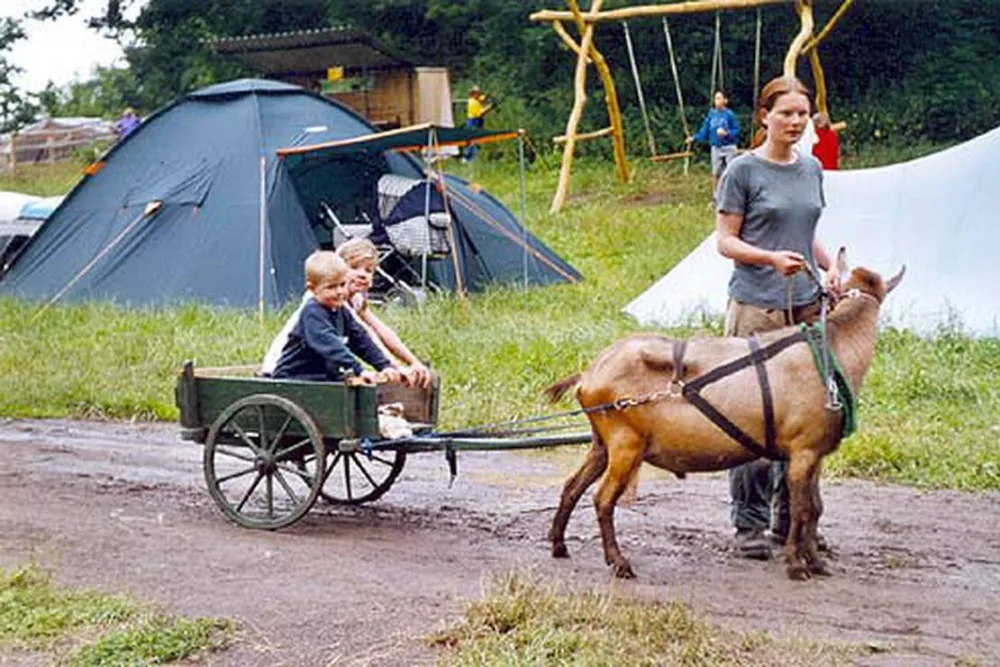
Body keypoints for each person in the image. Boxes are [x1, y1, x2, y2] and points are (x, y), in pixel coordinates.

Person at [714, 75, 841, 561]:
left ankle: (792, 520)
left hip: (806, 308)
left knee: (806, 421)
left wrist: (830, 269)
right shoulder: (742, 171)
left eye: (802, 114)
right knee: (750, 419)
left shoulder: (811, 168)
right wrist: (769, 259)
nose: (794, 121)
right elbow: (725, 241)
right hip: (757, 308)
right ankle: (747, 522)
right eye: (785, 113)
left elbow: (804, 232)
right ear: (764, 116)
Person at [262, 241, 430, 387]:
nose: (339, 291)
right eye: (332, 287)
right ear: (313, 288)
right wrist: (359, 369)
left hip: (321, 375)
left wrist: (386, 366)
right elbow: (331, 345)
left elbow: (363, 339)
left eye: (342, 285)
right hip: (293, 377)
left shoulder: (341, 306)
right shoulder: (313, 309)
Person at [691, 90, 741, 202]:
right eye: (715, 98)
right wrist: (694, 138)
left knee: (731, 172)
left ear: (725, 101)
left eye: (719, 98)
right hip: (716, 147)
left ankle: (733, 197)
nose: (716, 101)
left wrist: (727, 134)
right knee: (716, 173)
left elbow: (737, 130)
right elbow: (705, 130)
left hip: (729, 146)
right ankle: (716, 197)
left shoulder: (730, 115)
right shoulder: (711, 114)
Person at [463, 85, 493, 161]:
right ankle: (469, 157)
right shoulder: (472, 103)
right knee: (472, 139)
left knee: (476, 138)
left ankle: (472, 156)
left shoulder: (476, 99)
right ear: (473, 94)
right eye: (477, 93)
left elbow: (482, 99)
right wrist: (490, 106)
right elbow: (481, 113)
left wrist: (488, 95)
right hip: (473, 121)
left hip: (476, 120)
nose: (479, 94)